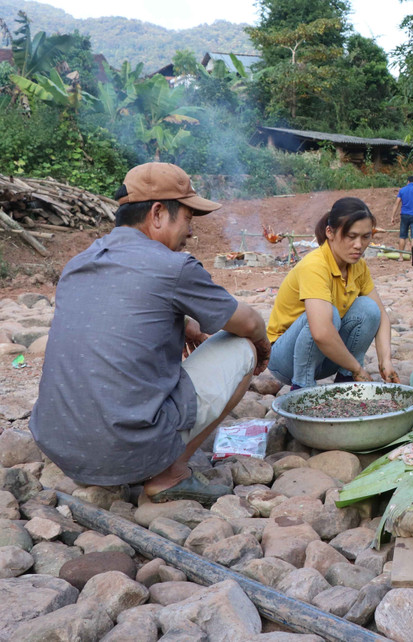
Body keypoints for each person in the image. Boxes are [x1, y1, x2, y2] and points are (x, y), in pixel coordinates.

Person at [30, 162, 271, 505]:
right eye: (188, 219)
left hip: (63, 448)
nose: (190, 232)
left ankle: (116, 460)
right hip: (124, 450)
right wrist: (262, 344)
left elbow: (106, 321)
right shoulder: (173, 266)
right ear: (158, 213)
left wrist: (182, 324)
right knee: (242, 345)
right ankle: (169, 474)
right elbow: (248, 322)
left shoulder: (78, 263)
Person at [267, 197, 399, 390]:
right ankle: (302, 387)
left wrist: (385, 361)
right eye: (351, 236)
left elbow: (381, 316)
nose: (359, 245)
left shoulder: (358, 266)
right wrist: (357, 368)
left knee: (369, 309)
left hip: (324, 357)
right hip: (286, 360)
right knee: (330, 315)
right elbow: (320, 332)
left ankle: (346, 382)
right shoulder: (315, 265)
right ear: (330, 232)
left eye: (365, 237)